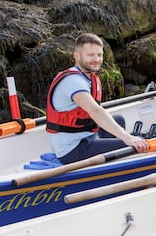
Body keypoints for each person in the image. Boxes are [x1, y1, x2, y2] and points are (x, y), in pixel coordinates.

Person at [46, 33, 149, 164]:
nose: (96, 59)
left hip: (87, 136)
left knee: (119, 120)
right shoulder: (73, 81)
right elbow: (95, 110)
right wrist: (127, 138)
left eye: (99, 55)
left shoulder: (89, 75)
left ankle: (107, 155)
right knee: (132, 145)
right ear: (77, 55)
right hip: (73, 149)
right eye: (90, 55)